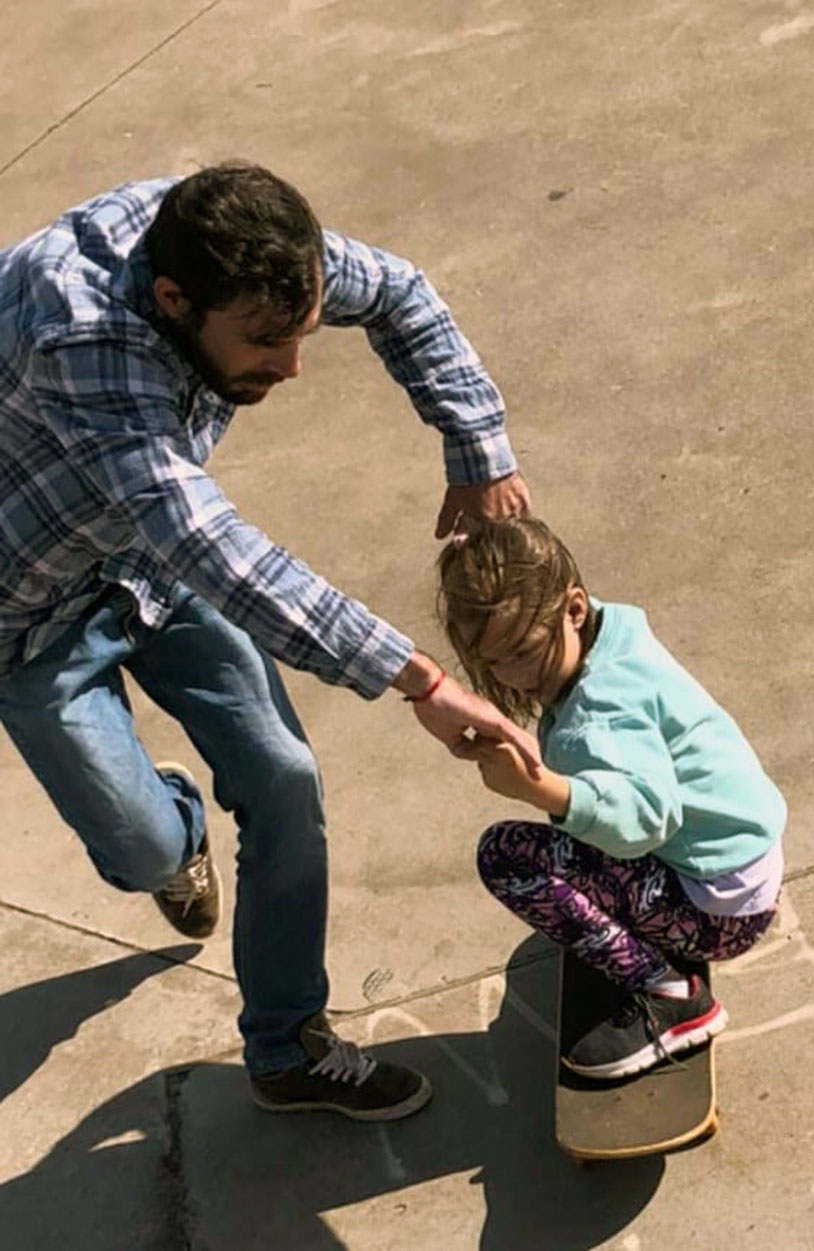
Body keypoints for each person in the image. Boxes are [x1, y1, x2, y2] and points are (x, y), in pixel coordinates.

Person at [0, 162, 538, 1121]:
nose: (292, 368)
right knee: (141, 852)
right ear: (173, 301)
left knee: (285, 776)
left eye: (300, 332)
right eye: (263, 345)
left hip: (145, 565)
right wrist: (421, 680)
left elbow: (402, 292)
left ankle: (288, 1045)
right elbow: (217, 550)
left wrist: (477, 443)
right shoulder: (83, 344)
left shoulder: (232, 242)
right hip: (29, 616)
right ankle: (175, 834)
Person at [437, 517, 786, 1079]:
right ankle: (652, 935)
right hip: (740, 866)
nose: (513, 674)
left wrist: (536, 787)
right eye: (494, 659)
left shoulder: (600, 714)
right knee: (573, 830)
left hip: (719, 912)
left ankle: (671, 997)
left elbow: (645, 820)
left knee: (506, 854)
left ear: (574, 608)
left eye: (524, 651)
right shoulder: (613, 635)